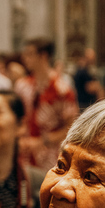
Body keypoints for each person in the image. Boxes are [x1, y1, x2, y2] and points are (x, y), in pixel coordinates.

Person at [14, 37, 79, 171]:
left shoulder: (62, 89)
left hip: (50, 156)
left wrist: (42, 141)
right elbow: (18, 118)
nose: (25, 58)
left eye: (30, 54)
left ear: (43, 56)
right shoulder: (22, 86)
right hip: (24, 152)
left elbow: (71, 127)